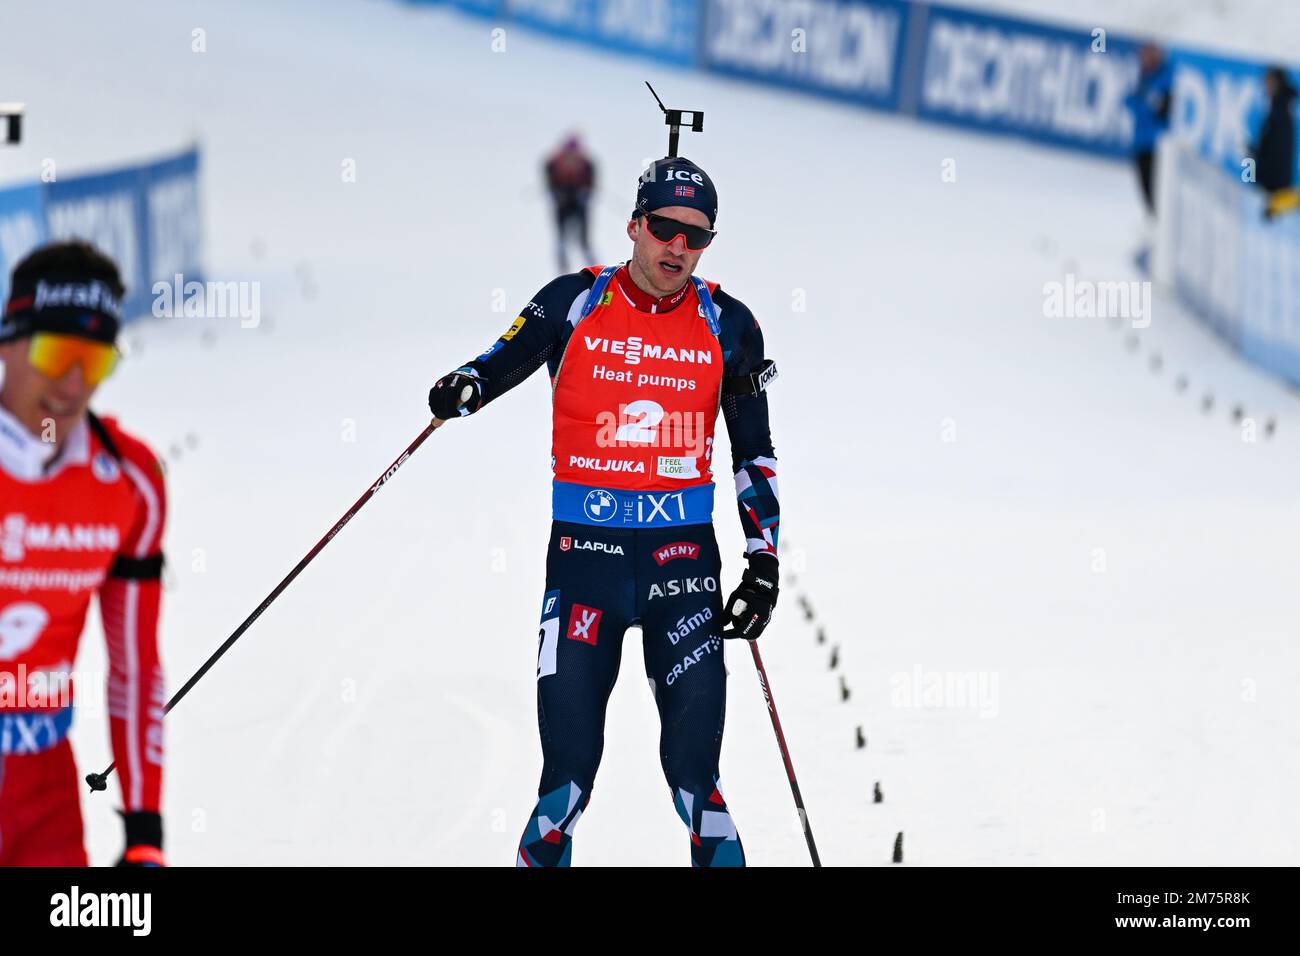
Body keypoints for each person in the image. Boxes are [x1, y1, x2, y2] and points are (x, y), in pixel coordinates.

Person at [429, 156, 780, 867]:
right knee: (563, 787)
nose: (677, 247)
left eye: (696, 235)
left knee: (697, 786)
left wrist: (764, 564)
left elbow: (754, 455)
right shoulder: (574, 301)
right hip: (584, 572)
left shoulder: (730, 324)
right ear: (633, 224)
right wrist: (464, 385)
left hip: (682, 575)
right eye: (663, 227)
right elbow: (498, 363)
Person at [0, 240, 167, 866]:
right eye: (56, 354)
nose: (73, 383)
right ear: (9, 342)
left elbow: (136, 670)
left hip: (42, 789)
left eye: (94, 362)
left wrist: (146, 832)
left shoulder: (130, 481)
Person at [1126, 42, 1173, 215]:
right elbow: (1129, 101)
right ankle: (1153, 229)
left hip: (1158, 146)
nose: (1144, 59)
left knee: (1159, 193)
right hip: (1141, 144)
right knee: (1146, 194)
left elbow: (1164, 109)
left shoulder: (1167, 79)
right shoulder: (1141, 78)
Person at [544, 134, 597, 272]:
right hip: (562, 203)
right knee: (562, 237)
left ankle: (594, 267)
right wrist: (555, 194)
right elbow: (549, 180)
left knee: (583, 239)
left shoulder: (587, 164)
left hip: (579, 204)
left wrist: (586, 194)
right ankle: (562, 267)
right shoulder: (553, 163)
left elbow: (592, 182)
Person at [1251, 66, 1297, 211]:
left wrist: (1254, 162)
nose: (1266, 85)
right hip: (1272, 191)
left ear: (1277, 82)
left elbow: (1279, 155)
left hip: (1274, 193)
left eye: (1269, 80)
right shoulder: (1278, 108)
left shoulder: (1281, 112)